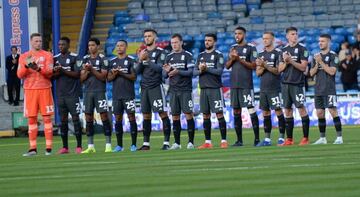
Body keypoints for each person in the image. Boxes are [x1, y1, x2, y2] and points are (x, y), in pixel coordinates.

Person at [17, 33, 54, 156]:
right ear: (31, 42)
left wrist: (38, 69)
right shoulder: (24, 56)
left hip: (45, 88)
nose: (39, 43)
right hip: (30, 90)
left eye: (40, 41)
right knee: (31, 119)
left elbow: (49, 73)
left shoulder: (48, 55)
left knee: (47, 118)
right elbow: (19, 75)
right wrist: (27, 66)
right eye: (36, 41)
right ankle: (32, 148)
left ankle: (48, 148)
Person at [135, 29, 171, 150]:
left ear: (155, 38)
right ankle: (146, 144)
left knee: (162, 113)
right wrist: (140, 60)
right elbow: (136, 71)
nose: (147, 38)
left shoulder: (161, 52)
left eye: (149, 36)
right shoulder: (142, 53)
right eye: (145, 36)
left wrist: (147, 60)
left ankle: (166, 143)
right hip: (144, 88)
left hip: (156, 87)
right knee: (146, 116)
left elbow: (160, 69)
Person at [225, 26, 260, 147]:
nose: (237, 36)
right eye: (235, 34)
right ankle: (239, 140)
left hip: (246, 85)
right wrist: (232, 59)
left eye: (239, 33)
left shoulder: (251, 48)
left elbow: (253, 66)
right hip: (234, 85)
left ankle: (257, 139)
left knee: (251, 109)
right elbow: (227, 66)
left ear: (244, 34)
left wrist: (238, 59)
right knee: (236, 111)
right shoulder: (232, 48)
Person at [194, 33, 228, 149]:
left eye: (209, 40)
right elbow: (194, 72)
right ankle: (208, 142)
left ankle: (224, 140)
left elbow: (219, 71)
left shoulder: (219, 55)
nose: (207, 42)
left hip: (215, 89)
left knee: (219, 114)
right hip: (203, 89)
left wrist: (206, 68)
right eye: (205, 40)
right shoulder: (200, 55)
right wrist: (200, 70)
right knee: (205, 115)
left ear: (214, 42)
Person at [278, 27, 310, 146]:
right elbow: (279, 69)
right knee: (287, 111)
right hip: (285, 84)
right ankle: (289, 139)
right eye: (292, 34)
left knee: (301, 109)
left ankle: (305, 138)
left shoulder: (302, 49)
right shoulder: (283, 50)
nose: (295, 36)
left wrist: (291, 61)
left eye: (296, 34)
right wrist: (286, 62)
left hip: (298, 84)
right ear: (287, 36)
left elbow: (303, 67)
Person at [80, 37, 112, 153]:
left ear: (98, 46)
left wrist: (91, 69)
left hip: (100, 92)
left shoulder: (103, 59)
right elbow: (81, 79)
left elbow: (103, 77)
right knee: (88, 118)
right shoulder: (85, 59)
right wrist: (87, 71)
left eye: (93, 45)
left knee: (104, 117)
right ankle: (90, 146)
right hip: (87, 92)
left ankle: (108, 145)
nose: (90, 47)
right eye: (89, 45)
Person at [163, 34, 195, 150]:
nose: (174, 45)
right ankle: (177, 143)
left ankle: (191, 142)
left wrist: (177, 71)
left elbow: (190, 72)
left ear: (181, 42)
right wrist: (168, 72)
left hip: (185, 90)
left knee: (188, 114)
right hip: (173, 91)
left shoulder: (188, 55)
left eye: (176, 42)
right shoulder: (169, 57)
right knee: (175, 116)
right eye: (172, 43)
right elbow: (164, 75)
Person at [310, 34, 343, 145]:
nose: (320, 43)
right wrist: (317, 63)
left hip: (329, 89)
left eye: (323, 41)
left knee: (333, 111)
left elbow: (332, 72)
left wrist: (321, 62)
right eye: (319, 41)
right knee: (320, 113)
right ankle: (322, 138)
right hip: (318, 89)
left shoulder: (334, 56)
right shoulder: (316, 56)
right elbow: (311, 73)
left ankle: (339, 137)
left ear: (328, 42)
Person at [255, 32, 286, 146]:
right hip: (263, 89)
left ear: (272, 39)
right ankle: (267, 139)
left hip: (275, 88)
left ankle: (282, 138)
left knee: (278, 111)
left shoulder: (278, 53)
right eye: (263, 38)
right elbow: (258, 73)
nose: (265, 40)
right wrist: (263, 66)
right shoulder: (260, 54)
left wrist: (266, 66)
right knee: (265, 113)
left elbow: (278, 71)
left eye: (267, 38)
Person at [53, 37, 83, 154]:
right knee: (63, 121)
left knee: (76, 119)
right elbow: (52, 77)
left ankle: (79, 146)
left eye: (63, 45)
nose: (60, 46)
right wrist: (56, 71)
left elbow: (77, 74)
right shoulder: (55, 58)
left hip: (73, 95)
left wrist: (62, 71)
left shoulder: (75, 58)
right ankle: (65, 147)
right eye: (59, 45)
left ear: (68, 45)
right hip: (60, 95)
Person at [107, 40, 138, 152]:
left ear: (126, 47)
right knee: (118, 119)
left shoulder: (131, 60)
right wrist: (114, 74)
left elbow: (134, 77)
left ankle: (133, 144)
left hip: (128, 95)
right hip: (116, 95)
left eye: (121, 45)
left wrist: (121, 73)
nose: (119, 47)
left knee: (131, 117)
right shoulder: (112, 62)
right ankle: (119, 145)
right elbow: (109, 79)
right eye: (118, 45)